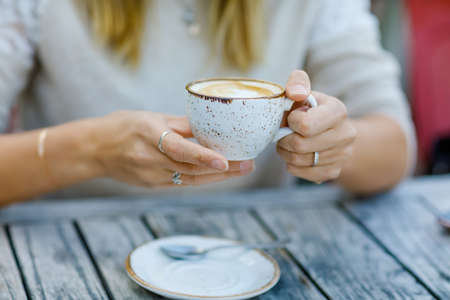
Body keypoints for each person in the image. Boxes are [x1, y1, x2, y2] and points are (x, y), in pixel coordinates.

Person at [0, 0, 415, 206]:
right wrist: (92, 151)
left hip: (256, 254)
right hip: (68, 248)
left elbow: (396, 149)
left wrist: (333, 141)